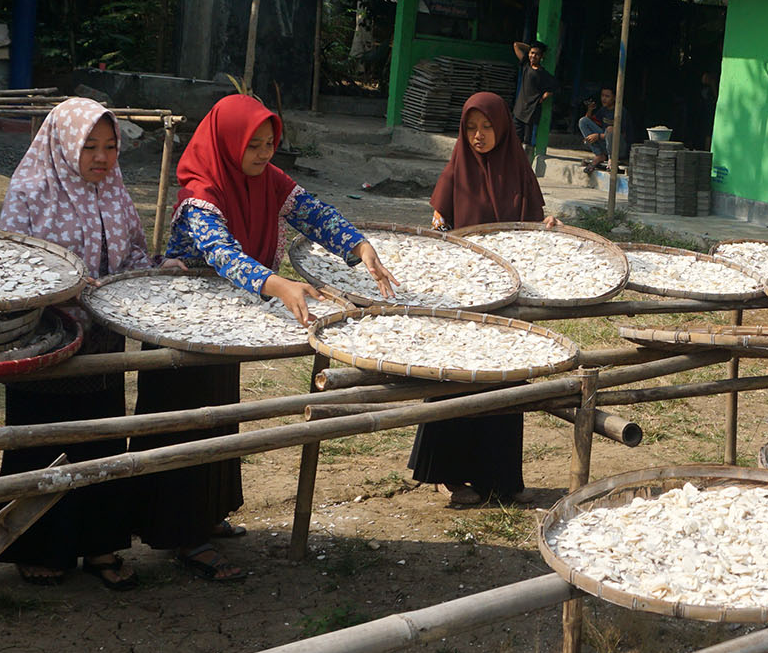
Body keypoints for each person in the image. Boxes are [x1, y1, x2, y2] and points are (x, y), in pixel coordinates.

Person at [145, 94, 397, 580]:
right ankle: (183, 534)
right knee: (186, 421)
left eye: (270, 144)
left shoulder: (269, 181)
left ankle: (208, 515)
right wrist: (276, 284)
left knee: (219, 416)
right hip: (181, 329)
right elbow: (220, 252)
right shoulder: (200, 192)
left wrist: (359, 246)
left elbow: (314, 213)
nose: (264, 154)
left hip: (226, 324)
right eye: (254, 145)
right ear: (227, 142)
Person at [0, 98, 151, 589]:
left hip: (104, 342)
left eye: (109, 147)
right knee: (41, 440)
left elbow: (136, 251)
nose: (102, 158)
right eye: (89, 147)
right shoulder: (31, 190)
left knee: (101, 438)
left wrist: (149, 272)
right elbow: (14, 265)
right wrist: (71, 289)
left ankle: (101, 544)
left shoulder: (116, 191)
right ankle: (39, 546)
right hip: (48, 340)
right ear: (63, 145)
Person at [417, 92, 555, 506]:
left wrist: (548, 227)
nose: (478, 136)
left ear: (502, 128)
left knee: (506, 380)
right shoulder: (455, 170)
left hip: (509, 298)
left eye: (487, 127)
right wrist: (442, 228)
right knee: (456, 378)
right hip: (465, 298)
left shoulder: (519, 170)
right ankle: (447, 476)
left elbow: (532, 228)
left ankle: (501, 480)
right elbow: (440, 229)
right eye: (471, 128)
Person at [509, 40, 559, 153]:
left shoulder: (543, 73)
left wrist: (546, 95)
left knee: (527, 143)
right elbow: (516, 45)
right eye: (532, 53)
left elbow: (556, 86)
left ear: (541, 57)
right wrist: (531, 47)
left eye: (537, 54)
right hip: (519, 110)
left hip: (532, 112)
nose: (533, 56)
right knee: (514, 140)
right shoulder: (526, 65)